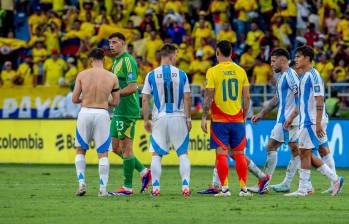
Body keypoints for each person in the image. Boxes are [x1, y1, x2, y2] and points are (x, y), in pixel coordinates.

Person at [285, 45, 344, 196]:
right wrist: (292, 117)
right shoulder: (305, 76)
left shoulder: (313, 75)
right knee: (315, 150)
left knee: (304, 152)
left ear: (307, 58)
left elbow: (320, 100)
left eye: (298, 56)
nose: (296, 59)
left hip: (311, 121)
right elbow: (303, 102)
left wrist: (317, 123)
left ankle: (306, 188)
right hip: (310, 120)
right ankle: (331, 181)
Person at [201, 40, 251, 197]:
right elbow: (247, 98)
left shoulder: (213, 71)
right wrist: (243, 118)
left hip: (220, 120)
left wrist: (203, 117)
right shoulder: (241, 71)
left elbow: (208, 97)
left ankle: (225, 189)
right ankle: (243, 189)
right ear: (231, 52)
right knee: (239, 153)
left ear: (217, 53)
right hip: (237, 120)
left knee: (221, 153)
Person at [142, 43, 192, 197]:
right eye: (175, 56)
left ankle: (156, 187)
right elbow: (187, 98)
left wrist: (145, 120)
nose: (176, 58)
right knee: (182, 153)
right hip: (178, 117)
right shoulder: (182, 74)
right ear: (171, 56)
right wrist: (189, 118)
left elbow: (144, 99)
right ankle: (185, 186)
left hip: (160, 118)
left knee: (157, 154)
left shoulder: (151, 75)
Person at [72, 48, 120, 197]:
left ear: (91, 59)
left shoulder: (82, 74)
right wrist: (104, 100)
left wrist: (86, 99)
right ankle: (103, 189)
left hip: (85, 112)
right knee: (103, 153)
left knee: (80, 150)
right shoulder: (112, 77)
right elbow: (116, 102)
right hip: (102, 113)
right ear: (104, 59)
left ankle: (81, 183)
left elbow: (74, 99)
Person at [108, 32, 151, 196]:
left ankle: (127, 187)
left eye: (115, 42)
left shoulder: (128, 60)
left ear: (123, 43)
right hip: (118, 110)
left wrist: (114, 96)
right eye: (110, 42)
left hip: (128, 111)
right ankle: (143, 172)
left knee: (126, 149)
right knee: (115, 148)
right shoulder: (115, 62)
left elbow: (133, 86)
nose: (111, 45)